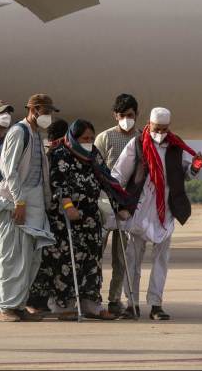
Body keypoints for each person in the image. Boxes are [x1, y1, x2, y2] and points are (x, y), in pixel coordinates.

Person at [113, 107, 202, 321]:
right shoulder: (136, 144)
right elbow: (118, 174)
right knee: (132, 259)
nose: (160, 133)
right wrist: (119, 204)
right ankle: (131, 303)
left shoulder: (175, 146)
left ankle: (156, 304)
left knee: (161, 260)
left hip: (166, 211)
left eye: (164, 129)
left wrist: (195, 168)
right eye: (157, 128)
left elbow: (184, 175)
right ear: (149, 124)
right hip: (140, 208)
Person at [32, 120, 117, 320]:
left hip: (89, 217)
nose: (88, 142)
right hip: (66, 218)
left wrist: (119, 203)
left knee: (91, 260)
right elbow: (58, 184)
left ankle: (92, 305)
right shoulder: (61, 153)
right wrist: (69, 207)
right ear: (74, 137)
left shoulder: (94, 154)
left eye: (91, 138)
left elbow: (106, 178)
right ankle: (63, 306)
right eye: (84, 138)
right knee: (65, 262)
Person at [0, 94, 57, 322]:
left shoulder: (37, 135)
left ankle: (19, 304)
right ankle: (6, 307)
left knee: (31, 258)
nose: (48, 116)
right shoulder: (18, 132)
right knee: (11, 256)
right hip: (15, 202)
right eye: (46, 111)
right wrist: (19, 201)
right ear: (35, 109)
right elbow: (9, 171)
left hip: (35, 204)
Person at [94, 93, 139, 316]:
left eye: (130, 115)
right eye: (122, 115)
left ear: (136, 115)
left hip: (128, 205)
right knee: (96, 254)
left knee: (122, 257)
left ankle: (114, 299)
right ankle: (92, 296)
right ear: (115, 115)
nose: (126, 119)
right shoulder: (104, 138)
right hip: (103, 202)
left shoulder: (142, 138)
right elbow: (93, 168)